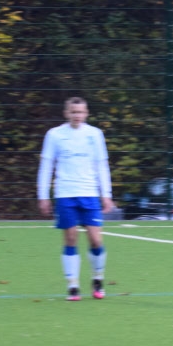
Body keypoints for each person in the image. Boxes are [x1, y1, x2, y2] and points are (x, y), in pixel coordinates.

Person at [36, 97, 116, 301]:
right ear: (66, 113)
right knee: (71, 238)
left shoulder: (95, 134)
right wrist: (43, 196)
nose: (77, 115)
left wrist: (106, 194)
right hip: (65, 193)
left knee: (96, 239)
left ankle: (97, 279)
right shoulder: (54, 135)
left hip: (89, 193)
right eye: (73, 112)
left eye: (80, 112)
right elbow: (46, 166)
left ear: (86, 113)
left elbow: (102, 165)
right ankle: (73, 286)